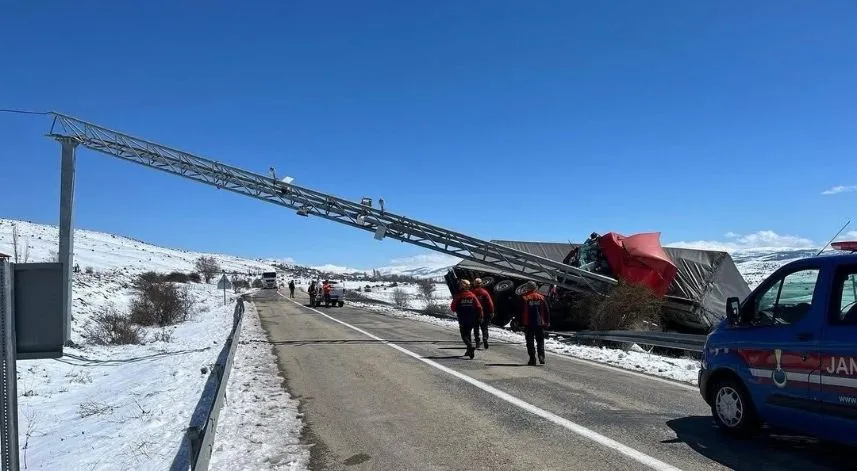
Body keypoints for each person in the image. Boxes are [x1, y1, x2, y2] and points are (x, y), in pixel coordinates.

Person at [450, 279, 483, 359]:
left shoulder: (459, 296)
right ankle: (469, 351)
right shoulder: (472, 296)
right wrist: (480, 316)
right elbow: (479, 307)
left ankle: (470, 346)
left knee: (464, 335)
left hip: (462, 318)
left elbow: (453, 308)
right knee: (468, 333)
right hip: (472, 318)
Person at [518, 281, 550, 365]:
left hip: (528, 323)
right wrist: (547, 321)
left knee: (530, 341)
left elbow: (520, 311)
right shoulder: (542, 297)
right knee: (540, 340)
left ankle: (532, 359)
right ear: (535, 288)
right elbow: (546, 311)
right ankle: (541, 356)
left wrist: (519, 323)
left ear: (527, 288)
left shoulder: (524, 297)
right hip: (540, 323)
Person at [471, 278, 495, 350]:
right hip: (485, 313)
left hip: (475, 313)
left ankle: (477, 343)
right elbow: (490, 303)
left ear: (474, 284)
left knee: (476, 328)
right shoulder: (484, 292)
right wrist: (492, 312)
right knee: (484, 327)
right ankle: (485, 338)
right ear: (481, 284)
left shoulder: (472, 293)